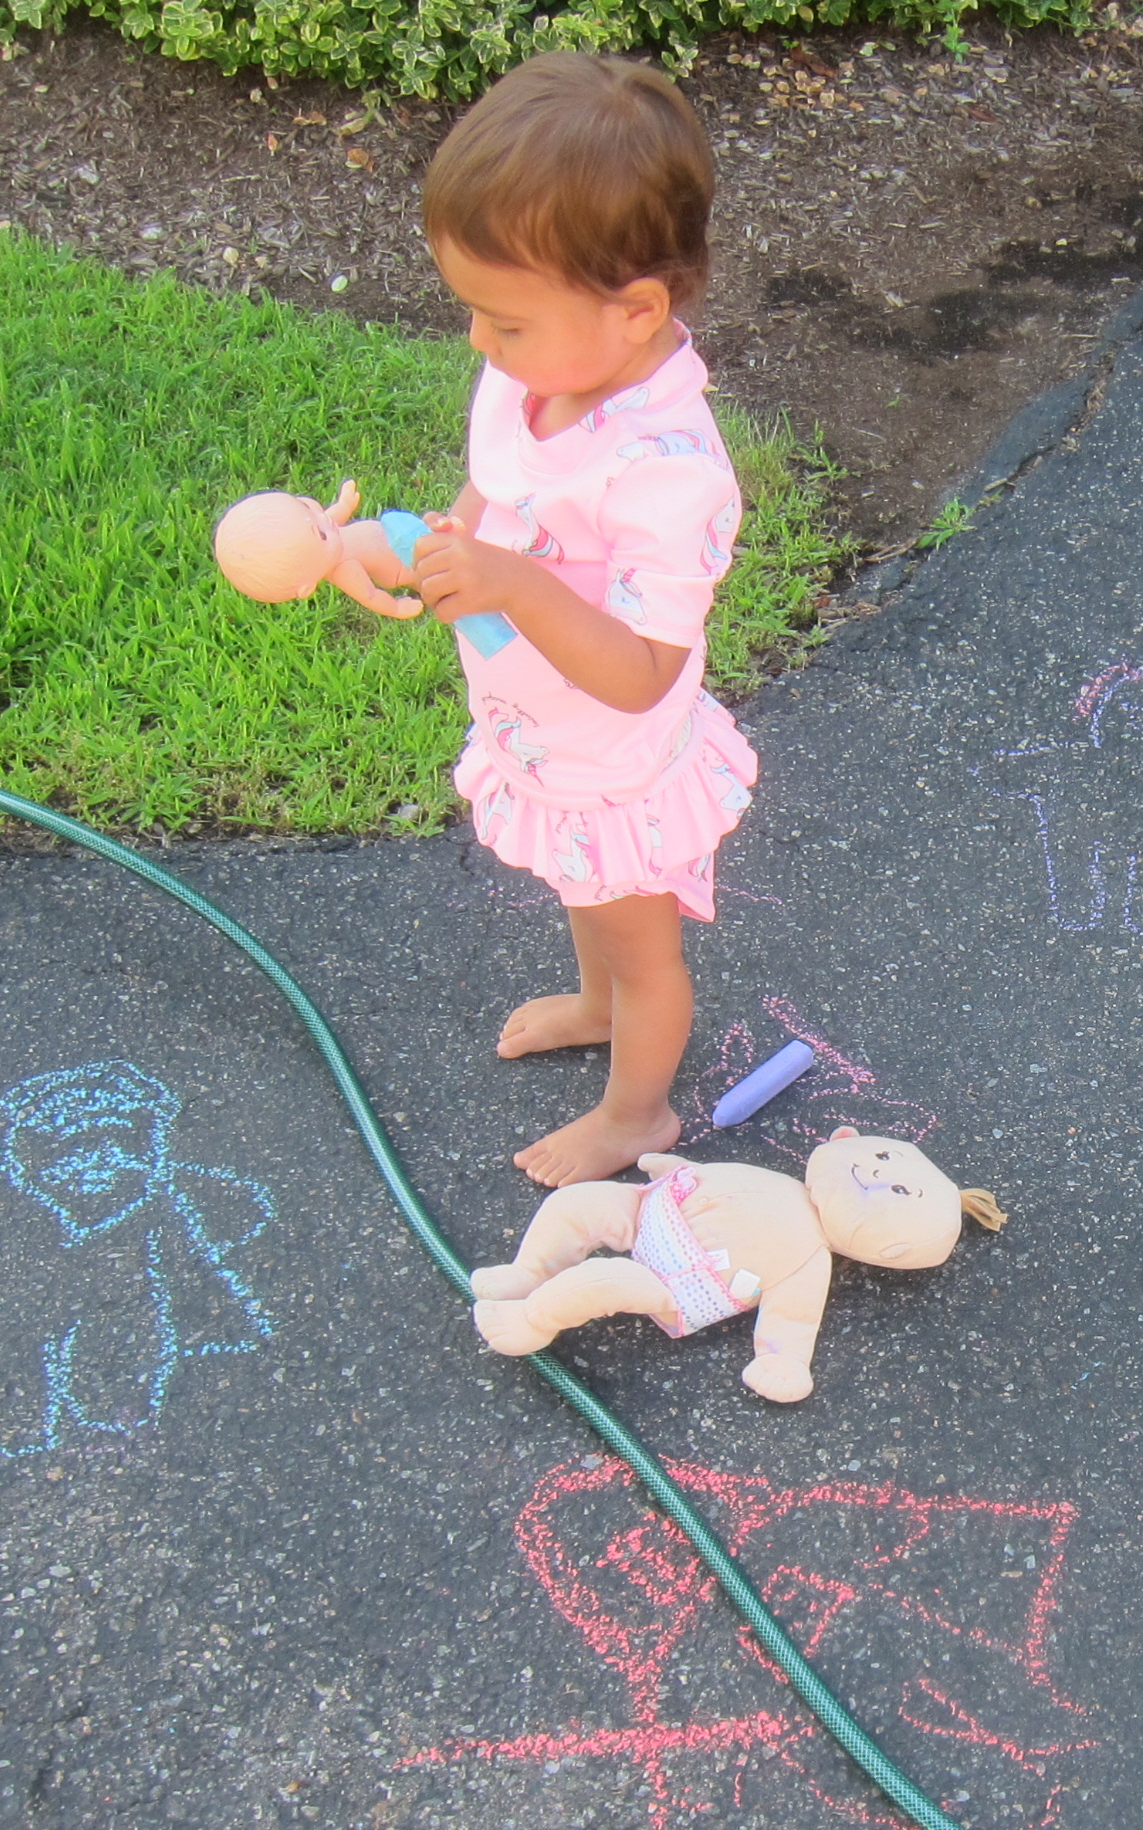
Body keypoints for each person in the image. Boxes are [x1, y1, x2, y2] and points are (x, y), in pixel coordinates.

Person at [360, 53, 755, 1183]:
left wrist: (514, 584)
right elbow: (489, 495)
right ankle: (595, 1006)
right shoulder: (537, 377)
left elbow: (640, 671)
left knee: (644, 950)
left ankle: (637, 1114)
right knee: (585, 890)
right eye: (475, 314)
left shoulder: (668, 474)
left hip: (613, 759)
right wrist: (399, 547)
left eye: (504, 321)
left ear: (636, 312)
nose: (479, 344)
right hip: (543, 731)